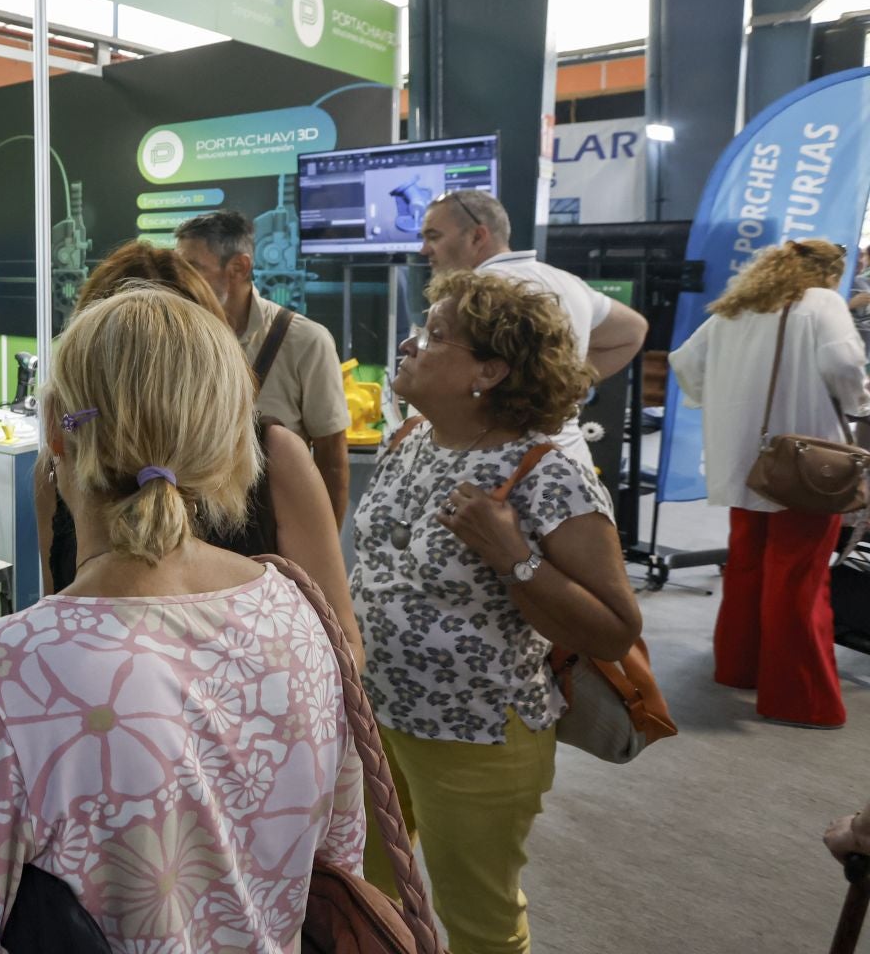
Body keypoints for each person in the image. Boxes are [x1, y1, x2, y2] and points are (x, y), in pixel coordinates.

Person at [0, 285, 363, 951]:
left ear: (56, 432)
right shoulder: (301, 612)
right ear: (226, 442)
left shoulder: (6, 669)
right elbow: (339, 867)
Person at [351, 270, 643, 954]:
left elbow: (615, 627)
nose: (410, 343)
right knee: (366, 891)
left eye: (436, 336)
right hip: (376, 715)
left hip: (475, 733)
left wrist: (515, 556)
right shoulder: (409, 442)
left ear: (489, 369)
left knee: (478, 918)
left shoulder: (543, 472)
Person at [33, 240, 363, 662]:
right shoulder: (58, 468)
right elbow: (58, 616)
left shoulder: (277, 456)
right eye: (116, 356)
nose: (144, 390)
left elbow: (342, 644)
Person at [669, 238, 870, 729]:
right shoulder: (821, 303)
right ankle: (796, 696)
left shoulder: (737, 307)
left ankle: (738, 668)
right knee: (798, 573)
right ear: (828, 272)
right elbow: (846, 368)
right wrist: (860, 405)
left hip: (745, 460)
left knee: (748, 564)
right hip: (804, 465)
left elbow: (686, 364)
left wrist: (731, 402)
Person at [417, 188, 648, 466]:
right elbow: (633, 330)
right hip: (569, 464)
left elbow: (439, 392)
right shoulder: (565, 282)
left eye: (434, 236)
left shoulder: (465, 300)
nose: (424, 250)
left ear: (478, 236)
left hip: (499, 468)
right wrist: (567, 384)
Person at [175, 210, 351, 522]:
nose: (180, 281)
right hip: (193, 531)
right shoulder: (179, 339)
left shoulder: (306, 341)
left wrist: (324, 555)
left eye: (193, 269)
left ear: (238, 267)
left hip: (276, 532)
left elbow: (332, 460)